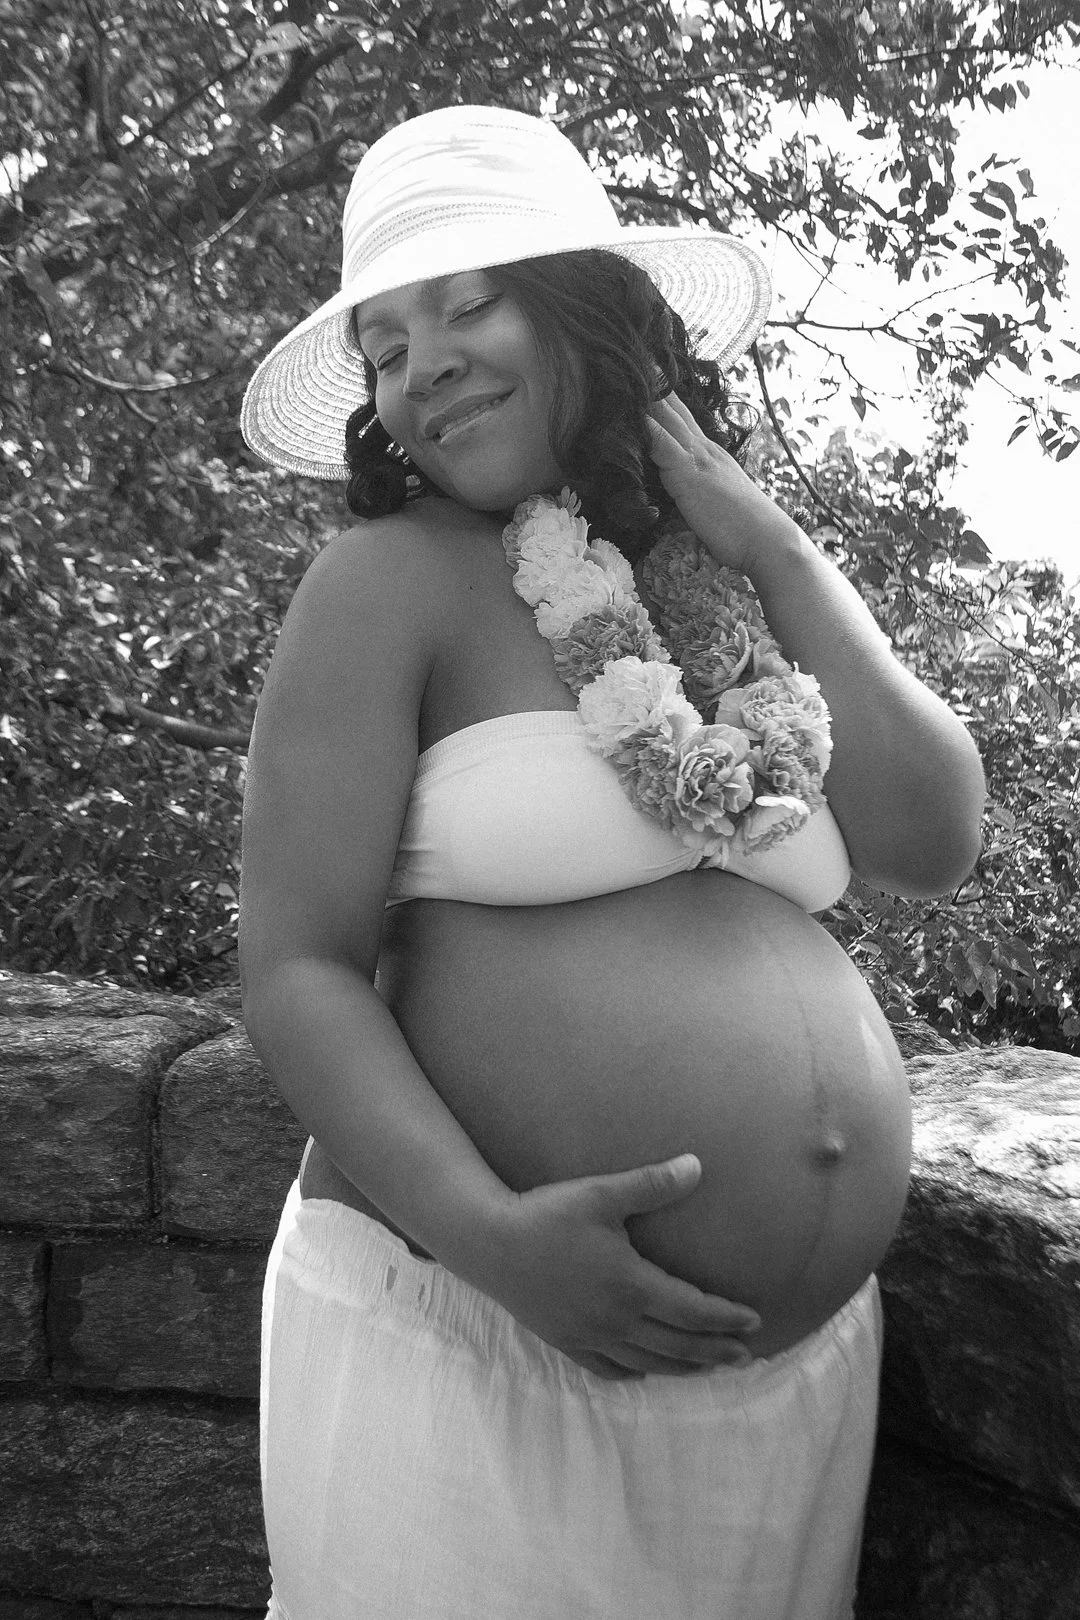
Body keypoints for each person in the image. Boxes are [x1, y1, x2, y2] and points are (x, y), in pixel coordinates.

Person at [239, 104, 986, 1619]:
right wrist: (494, 1241)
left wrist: (774, 546)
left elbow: (933, 838)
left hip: (778, 1401)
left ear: (592, 307)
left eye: (469, 301)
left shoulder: (719, 586)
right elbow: (296, 965)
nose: (423, 362)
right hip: (472, 1331)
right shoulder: (385, 586)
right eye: (386, 344)